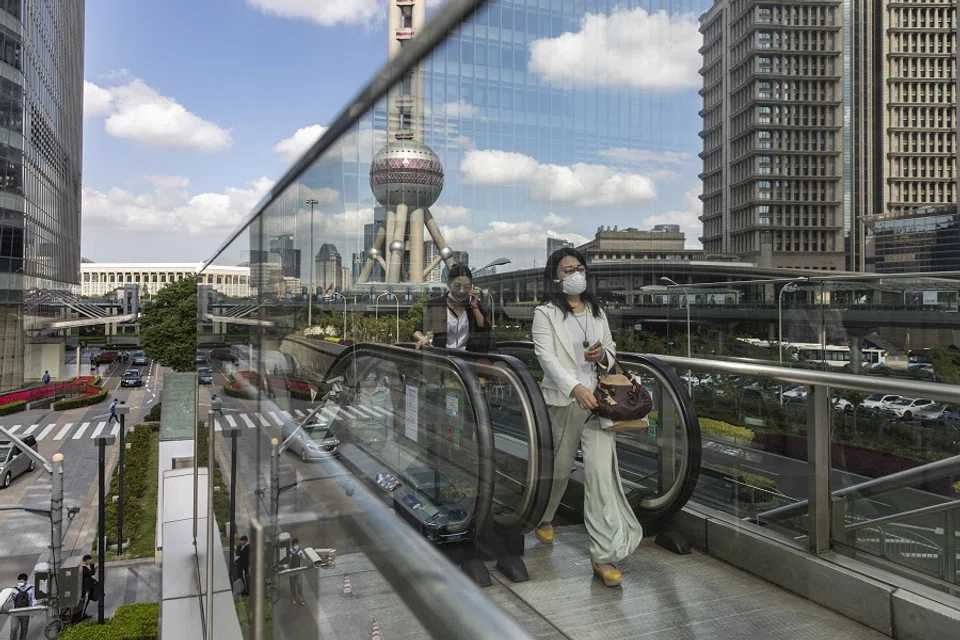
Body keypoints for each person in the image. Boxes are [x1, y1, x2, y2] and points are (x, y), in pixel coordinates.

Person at [530, 247, 642, 588]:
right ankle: (543, 516)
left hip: (601, 403)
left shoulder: (597, 311)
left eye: (579, 268)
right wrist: (575, 387)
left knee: (600, 475)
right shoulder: (545, 313)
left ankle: (603, 554)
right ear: (555, 276)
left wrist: (602, 357)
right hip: (566, 401)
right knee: (560, 468)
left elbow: (610, 350)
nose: (575, 274)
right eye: (567, 270)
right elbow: (546, 358)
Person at [413, 264, 492, 352]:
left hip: (468, 358)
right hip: (443, 358)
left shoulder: (473, 305)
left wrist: (474, 306)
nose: (461, 291)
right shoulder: (437, 305)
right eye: (457, 286)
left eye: (466, 287)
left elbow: (484, 329)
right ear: (449, 284)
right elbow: (417, 330)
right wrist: (422, 338)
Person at [6, 573, 35, 639]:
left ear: (26, 581)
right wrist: (11, 596)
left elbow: (33, 600)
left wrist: (33, 611)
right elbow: (8, 601)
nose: (20, 583)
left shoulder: (31, 588)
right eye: (19, 581)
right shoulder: (15, 589)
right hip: (15, 612)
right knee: (14, 628)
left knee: (24, 629)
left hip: (26, 612)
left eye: (21, 581)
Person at [287, 538, 306, 605]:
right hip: (291, 570)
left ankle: (300, 597)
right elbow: (287, 561)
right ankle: (293, 597)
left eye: (297, 544)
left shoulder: (300, 551)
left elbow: (304, 558)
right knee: (292, 584)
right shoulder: (289, 551)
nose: (296, 545)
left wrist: (301, 556)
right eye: (295, 544)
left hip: (298, 570)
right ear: (292, 545)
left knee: (299, 584)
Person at [81, 554, 97, 619]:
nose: (90, 561)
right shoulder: (83, 568)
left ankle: (83, 614)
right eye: (90, 560)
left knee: (86, 601)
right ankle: (82, 615)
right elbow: (92, 573)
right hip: (86, 588)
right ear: (87, 560)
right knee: (85, 602)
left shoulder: (84, 567)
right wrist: (92, 565)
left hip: (88, 586)